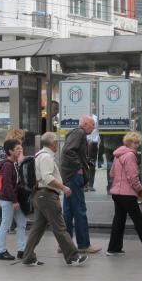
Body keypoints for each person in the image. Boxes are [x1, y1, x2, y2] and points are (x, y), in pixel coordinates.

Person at [21, 132, 88, 267]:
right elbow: (47, 178)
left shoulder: (39, 155)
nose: (58, 144)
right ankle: (73, 257)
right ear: (53, 143)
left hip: (40, 195)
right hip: (47, 196)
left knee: (38, 228)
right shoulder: (46, 157)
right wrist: (64, 188)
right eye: (56, 141)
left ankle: (28, 257)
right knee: (60, 228)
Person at [106, 132, 142, 257]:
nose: (137, 145)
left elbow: (112, 173)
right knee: (138, 220)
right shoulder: (130, 156)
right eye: (135, 142)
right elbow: (133, 176)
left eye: (138, 143)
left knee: (119, 220)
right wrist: (139, 189)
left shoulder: (117, 155)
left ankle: (113, 248)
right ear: (129, 143)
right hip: (127, 194)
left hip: (116, 192)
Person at [60, 115, 101, 254]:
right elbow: (68, 151)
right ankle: (84, 245)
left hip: (68, 177)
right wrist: (80, 168)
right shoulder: (80, 132)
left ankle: (65, 245)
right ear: (84, 124)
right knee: (80, 211)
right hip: (74, 176)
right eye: (92, 124)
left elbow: (68, 151)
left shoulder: (75, 133)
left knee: (68, 212)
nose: (94, 127)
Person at [0, 139, 27, 261]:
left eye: (21, 148)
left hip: (16, 199)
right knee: (6, 225)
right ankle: (1, 251)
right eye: (18, 149)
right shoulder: (8, 165)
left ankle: (22, 250)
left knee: (22, 224)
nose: (20, 151)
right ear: (10, 151)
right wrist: (14, 201)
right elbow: (7, 185)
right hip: (9, 200)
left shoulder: (16, 163)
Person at [85, 114, 99, 191]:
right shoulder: (83, 117)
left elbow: (97, 131)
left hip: (93, 143)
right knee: (83, 163)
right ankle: (85, 184)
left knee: (92, 164)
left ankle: (91, 184)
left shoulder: (96, 118)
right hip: (84, 142)